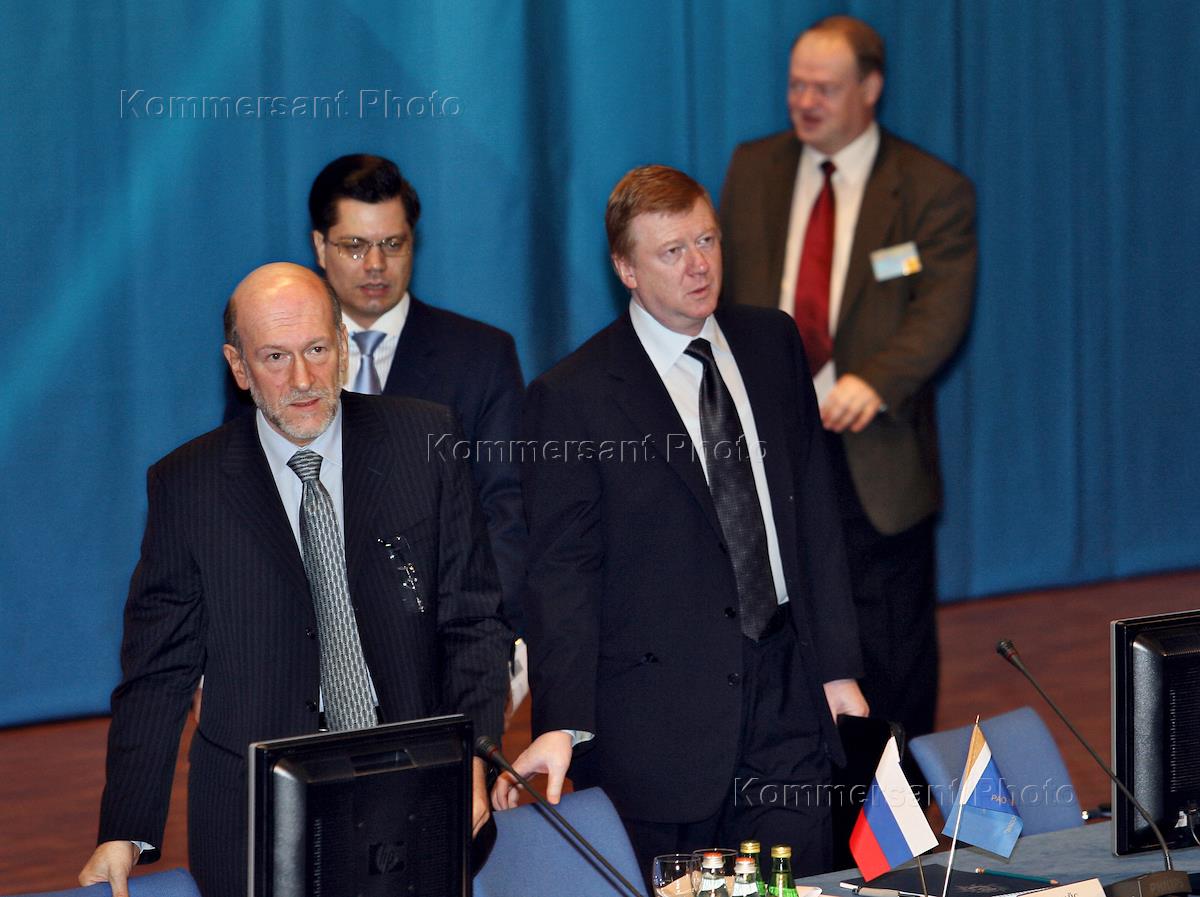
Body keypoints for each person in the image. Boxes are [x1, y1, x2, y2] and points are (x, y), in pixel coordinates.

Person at [79, 263, 511, 897]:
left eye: (316, 350)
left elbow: (472, 621)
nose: (303, 380)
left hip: (414, 788)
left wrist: (473, 753)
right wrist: (124, 829)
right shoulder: (188, 485)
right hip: (253, 812)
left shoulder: (425, 440)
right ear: (239, 366)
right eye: (276, 357)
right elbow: (158, 671)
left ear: (343, 347)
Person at [493, 166, 867, 880]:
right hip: (660, 724)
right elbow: (563, 575)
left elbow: (815, 512)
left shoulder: (771, 343)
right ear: (626, 269)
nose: (699, 265)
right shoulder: (572, 396)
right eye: (672, 251)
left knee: (794, 887)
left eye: (707, 240)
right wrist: (561, 721)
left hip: (785, 692)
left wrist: (838, 666)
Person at [718, 15, 978, 741]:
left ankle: (896, 795)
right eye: (796, 85)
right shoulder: (754, 168)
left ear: (870, 88)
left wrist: (876, 380)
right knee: (775, 626)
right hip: (770, 440)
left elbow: (941, 311)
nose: (804, 102)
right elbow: (723, 290)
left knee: (889, 647)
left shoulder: (930, 188)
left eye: (824, 88)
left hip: (873, 447)